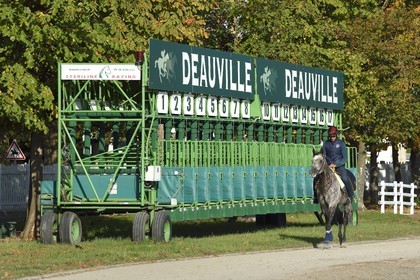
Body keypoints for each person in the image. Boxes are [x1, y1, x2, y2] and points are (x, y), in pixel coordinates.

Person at [322, 126, 354, 204]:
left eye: (334, 136)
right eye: (331, 136)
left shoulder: (341, 143)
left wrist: (335, 164)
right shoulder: (326, 144)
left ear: (336, 135)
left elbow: (345, 158)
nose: (332, 138)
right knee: (317, 178)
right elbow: (323, 155)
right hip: (328, 166)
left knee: (345, 178)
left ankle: (350, 195)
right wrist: (327, 164)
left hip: (339, 166)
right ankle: (317, 197)